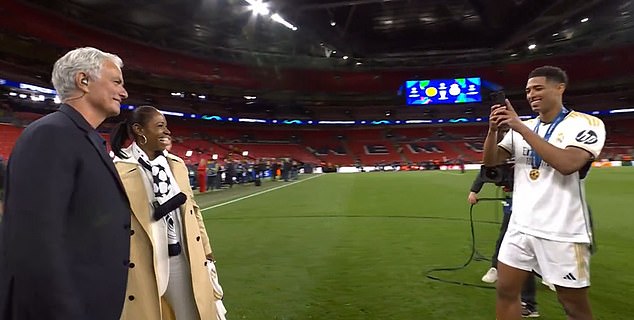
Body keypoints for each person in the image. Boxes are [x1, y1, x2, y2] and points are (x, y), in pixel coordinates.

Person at [0, 47, 131, 319]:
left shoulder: (81, 136)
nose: (124, 92)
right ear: (83, 81)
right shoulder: (51, 134)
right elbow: (35, 242)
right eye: (116, 82)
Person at [484, 66, 606, 320]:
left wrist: (521, 129)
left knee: (573, 304)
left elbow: (567, 164)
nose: (531, 95)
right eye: (528, 90)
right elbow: (491, 162)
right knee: (506, 291)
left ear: (559, 88)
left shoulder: (586, 124)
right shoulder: (524, 126)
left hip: (561, 230)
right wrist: (494, 130)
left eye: (538, 88)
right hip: (520, 227)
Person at [110, 105, 225, 320]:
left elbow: (193, 210)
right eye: (160, 126)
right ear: (139, 130)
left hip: (181, 257)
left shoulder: (176, 165)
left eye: (167, 126)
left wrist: (206, 249)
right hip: (143, 262)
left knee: (191, 314)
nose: (167, 132)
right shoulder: (119, 168)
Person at [468, 174, 540, 318]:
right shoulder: (508, 157)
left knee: (529, 245)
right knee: (506, 239)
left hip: (536, 203)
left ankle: (544, 279)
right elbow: (488, 169)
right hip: (514, 201)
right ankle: (496, 268)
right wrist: (474, 190)